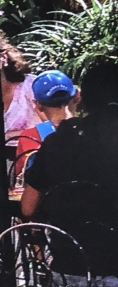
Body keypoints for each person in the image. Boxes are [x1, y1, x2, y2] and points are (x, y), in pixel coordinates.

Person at [22, 59, 118, 221]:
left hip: (71, 241)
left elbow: (28, 208)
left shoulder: (58, 141)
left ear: (83, 97)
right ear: (77, 97)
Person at [14, 70, 78, 176]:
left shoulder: (28, 137)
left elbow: (19, 181)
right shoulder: (93, 132)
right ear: (78, 96)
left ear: (38, 105)